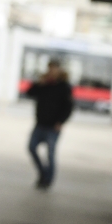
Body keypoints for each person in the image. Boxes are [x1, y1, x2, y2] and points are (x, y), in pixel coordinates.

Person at [25, 59, 74, 189]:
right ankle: (42, 173)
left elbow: (68, 107)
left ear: (59, 70)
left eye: (54, 68)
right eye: (50, 68)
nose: (51, 71)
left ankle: (48, 180)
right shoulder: (44, 83)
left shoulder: (64, 86)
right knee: (31, 148)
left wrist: (61, 122)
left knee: (50, 154)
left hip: (53, 126)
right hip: (40, 123)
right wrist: (39, 84)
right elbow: (29, 93)